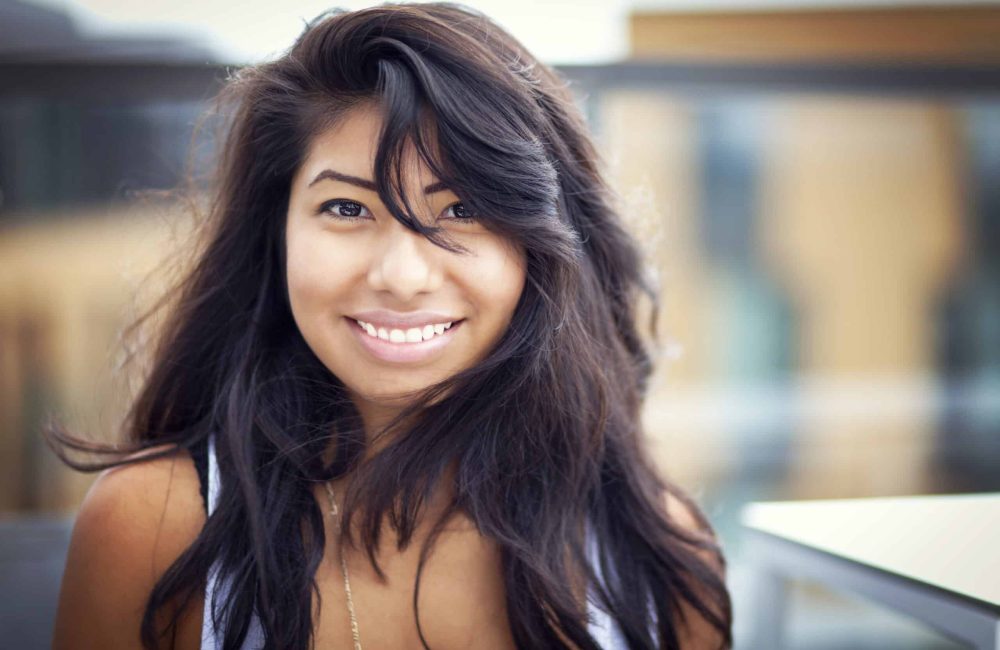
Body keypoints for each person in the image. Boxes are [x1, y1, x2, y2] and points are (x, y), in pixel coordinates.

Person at [49, 3, 732, 649]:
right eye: (347, 209)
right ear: (275, 233)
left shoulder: (658, 559)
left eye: (462, 209)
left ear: (543, 246)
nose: (402, 276)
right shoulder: (152, 523)